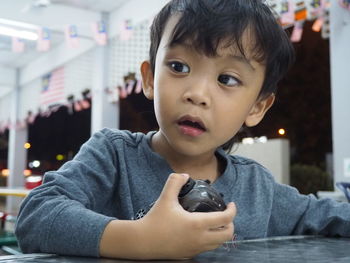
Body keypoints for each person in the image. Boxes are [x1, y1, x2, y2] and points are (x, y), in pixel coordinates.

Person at [15, 0, 350, 260]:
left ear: (257, 107)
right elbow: (37, 215)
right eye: (179, 67)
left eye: (227, 79)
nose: (197, 94)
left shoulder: (258, 187)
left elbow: (328, 215)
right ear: (149, 78)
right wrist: (141, 240)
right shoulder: (113, 156)